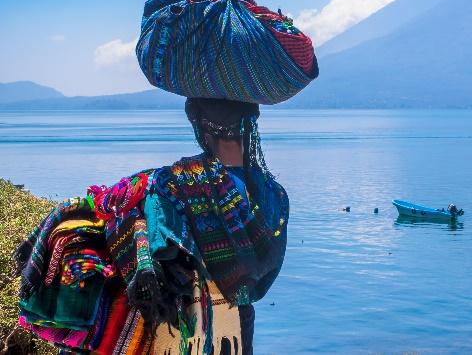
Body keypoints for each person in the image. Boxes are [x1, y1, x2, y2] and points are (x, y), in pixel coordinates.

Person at [15, 97, 288, 355]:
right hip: (238, 325)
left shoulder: (172, 183)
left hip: (184, 324)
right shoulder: (274, 195)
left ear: (201, 127)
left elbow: (148, 233)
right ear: (249, 124)